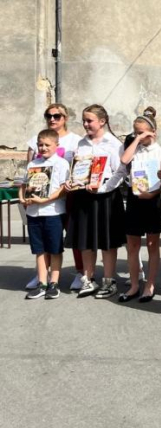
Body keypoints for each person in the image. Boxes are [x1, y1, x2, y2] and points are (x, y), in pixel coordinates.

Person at [64, 104, 126, 299]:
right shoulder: (80, 144)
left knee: (107, 241)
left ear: (102, 121)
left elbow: (120, 172)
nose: (85, 124)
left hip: (106, 197)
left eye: (89, 120)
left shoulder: (114, 144)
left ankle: (109, 281)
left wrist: (103, 188)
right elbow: (73, 169)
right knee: (86, 240)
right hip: (83, 196)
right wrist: (69, 182)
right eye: (83, 120)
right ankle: (88, 279)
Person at [24, 104, 84, 292]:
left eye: (57, 116)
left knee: (71, 236)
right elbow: (30, 169)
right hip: (40, 200)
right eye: (48, 115)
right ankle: (43, 275)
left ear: (65, 117)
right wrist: (28, 195)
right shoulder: (36, 139)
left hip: (67, 195)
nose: (52, 119)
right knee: (43, 240)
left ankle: (80, 272)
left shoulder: (76, 140)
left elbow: (81, 166)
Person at [118, 107, 161, 303]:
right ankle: (134, 284)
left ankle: (150, 284)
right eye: (135, 132)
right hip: (134, 198)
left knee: (152, 244)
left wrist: (153, 193)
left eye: (141, 132)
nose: (136, 135)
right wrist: (137, 140)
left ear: (152, 132)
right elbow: (124, 160)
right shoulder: (134, 149)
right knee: (132, 244)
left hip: (153, 200)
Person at [19, 129, 70, 299]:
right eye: (40, 144)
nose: (43, 148)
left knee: (54, 249)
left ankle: (54, 282)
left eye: (47, 145)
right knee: (39, 250)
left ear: (56, 145)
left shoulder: (62, 164)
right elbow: (24, 185)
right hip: (34, 213)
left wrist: (46, 199)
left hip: (53, 212)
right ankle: (42, 282)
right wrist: (22, 198)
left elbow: (63, 189)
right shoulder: (32, 164)